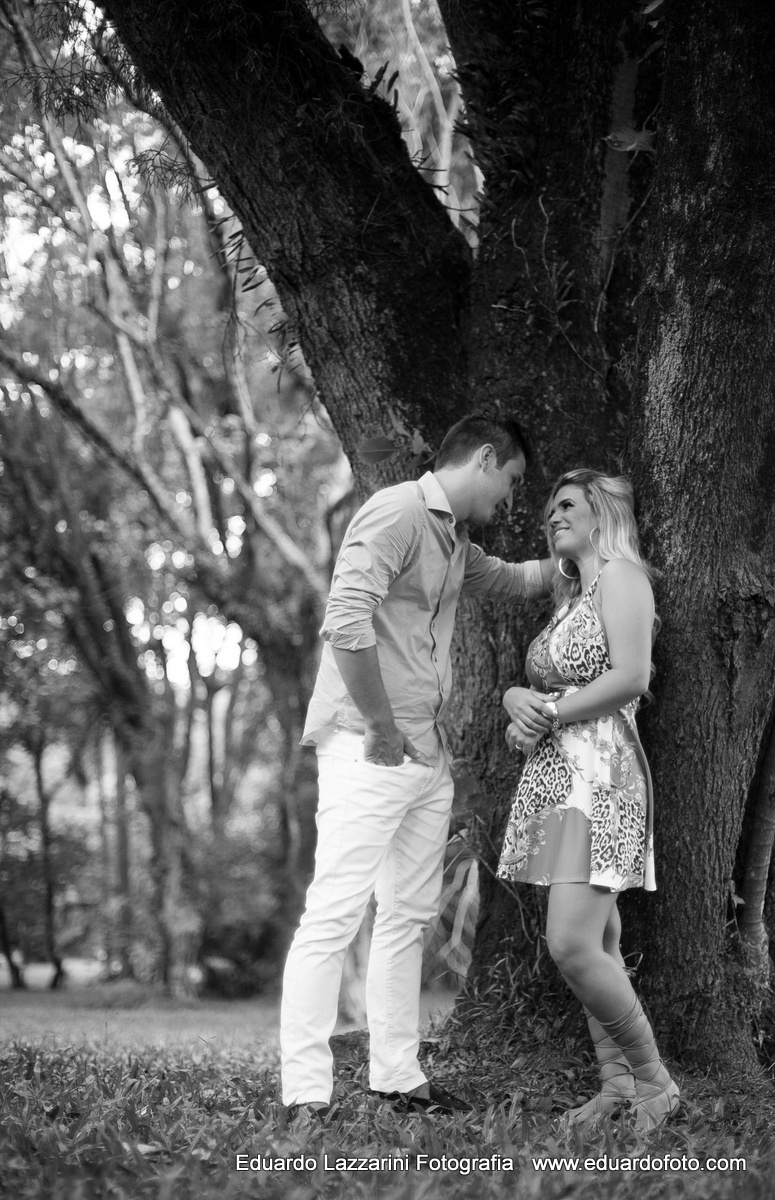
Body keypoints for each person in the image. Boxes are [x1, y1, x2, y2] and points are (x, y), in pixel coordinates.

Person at [281, 412, 553, 1121]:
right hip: (369, 748)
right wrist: (377, 727)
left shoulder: (455, 542)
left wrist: (598, 553)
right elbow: (346, 620)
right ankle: (304, 1094)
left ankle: (396, 1077)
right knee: (334, 914)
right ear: (487, 459)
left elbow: (521, 580)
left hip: (426, 756)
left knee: (405, 917)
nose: (512, 499)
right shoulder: (397, 510)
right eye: (513, 481)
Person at [497, 469, 679, 1132]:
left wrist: (544, 710)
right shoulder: (568, 599)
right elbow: (539, 687)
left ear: (601, 512)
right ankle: (616, 1088)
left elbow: (631, 677)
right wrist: (515, 699)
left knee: (570, 944)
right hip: (554, 780)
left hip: (602, 775)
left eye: (567, 504)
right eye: (548, 509)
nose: (552, 516)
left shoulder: (623, 579)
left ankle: (655, 1082)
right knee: (596, 938)